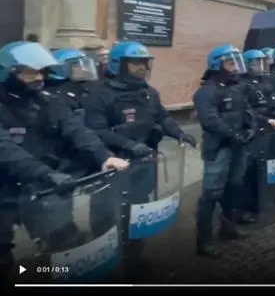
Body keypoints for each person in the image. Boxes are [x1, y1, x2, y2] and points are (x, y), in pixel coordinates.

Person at [0, 41, 129, 278]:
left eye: (41, 71)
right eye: (30, 72)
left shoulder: (48, 100)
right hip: (6, 185)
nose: (39, 78)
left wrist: (104, 157)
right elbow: (6, 150)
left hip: (38, 186)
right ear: (8, 72)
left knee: (63, 240)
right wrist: (47, 174)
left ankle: (47, 276)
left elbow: (77, 130)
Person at [82, 41, 196, 265]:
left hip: (144, 162)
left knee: (138, 210)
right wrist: (129, 145)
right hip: (114, 166)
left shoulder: (149, 92)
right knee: (107, 214)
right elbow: (97, 130)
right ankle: (107, 261)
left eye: (144, 63)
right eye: (135, 64)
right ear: (119, 65)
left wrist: (178, 133)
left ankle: (134, 257)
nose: (142, 68)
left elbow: (162, 117)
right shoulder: (99, 94)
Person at [193, 45, 257, 258]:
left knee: (233, 188)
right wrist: (234, 135)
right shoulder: (206, 92)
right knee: (211, 194)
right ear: (216, 64)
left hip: (238, 146)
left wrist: (250, 130)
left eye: (237, 62)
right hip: (219, 149)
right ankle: (203, 242)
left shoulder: (236, 87)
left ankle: (228, 229)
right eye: (231, 63)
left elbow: (248, 112)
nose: (236, 67)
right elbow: (211, 121)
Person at [237, 49, 275, 224]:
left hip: (270, 132)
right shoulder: (243, 85)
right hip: (255, 132)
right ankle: (247, 207)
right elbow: (247, 110)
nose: (262, 66)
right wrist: (267, 120)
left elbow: (274, 102)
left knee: (267, 166)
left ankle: (264, 200)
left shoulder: (265, 82)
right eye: (257, 63)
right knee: (250, 171)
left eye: (263, 62)